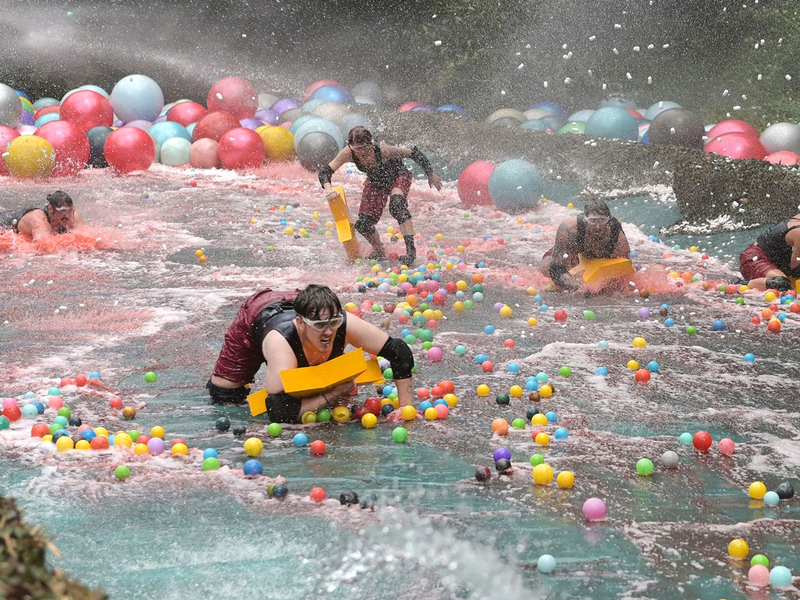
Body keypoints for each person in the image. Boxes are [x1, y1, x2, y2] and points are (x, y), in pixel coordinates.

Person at [207, 284, 416, 423]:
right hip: (257, 315)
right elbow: (278, 411)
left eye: (334, 323)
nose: (329, 332)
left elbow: (400, 352)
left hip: (305, 306)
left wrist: (405, 408)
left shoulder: (340, 322)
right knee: (225, 396)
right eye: (320, 326)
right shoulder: (281, 342)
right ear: (300, 324)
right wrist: (334, 393)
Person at [318, 127, 443, 265]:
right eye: (357, 149)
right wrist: (328, 189)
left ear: (371, 143)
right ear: (350, 146)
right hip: (376, 182)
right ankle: (379, 250)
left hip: (398, 176)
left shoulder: (384, 150)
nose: (362, 152)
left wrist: (430, 174)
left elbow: (414, 153)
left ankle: (411, 252)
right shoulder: (347, 153)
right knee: (363, 224)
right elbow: (325, 171)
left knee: (397, 206)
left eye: (365, 148)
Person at [540, 200, 631, 290]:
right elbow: (556, 268)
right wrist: (576, 286)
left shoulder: (617, 235)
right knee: (546, 266)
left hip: (602, 257)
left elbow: (626, 265)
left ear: (609, 220)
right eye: (592, 221)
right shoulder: (569, 229)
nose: (597, 226)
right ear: (585, 220)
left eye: (602, 220)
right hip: (574, 252)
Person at [739, 212, 800, 291]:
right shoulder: (798, 232)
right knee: (782, 284)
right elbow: (796, 270)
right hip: (753, 259)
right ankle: (738, 283)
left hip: (774, 264)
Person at [0, 191, 84, 241]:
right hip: (4, 221)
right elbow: (44, 247)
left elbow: (85, 237)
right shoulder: (38, 219)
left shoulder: (73, 215)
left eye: (69, 210)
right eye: (62, 211)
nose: (66, 215)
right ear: (51, 209)